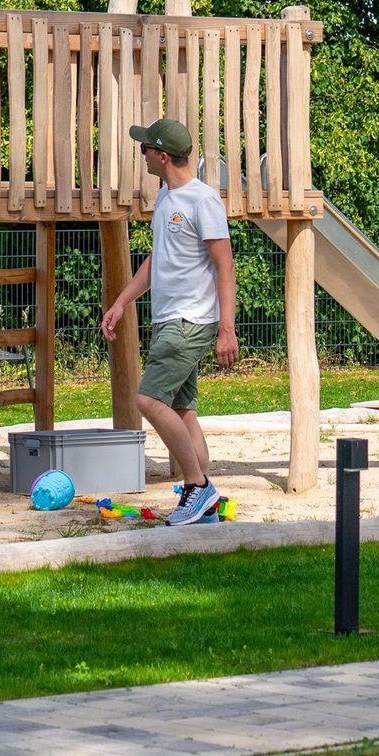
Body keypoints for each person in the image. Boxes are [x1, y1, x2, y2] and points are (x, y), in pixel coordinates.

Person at [100, 118, 239, 525]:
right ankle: (205, 503)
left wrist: (227, 329)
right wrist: (121, 302)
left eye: (145, 148)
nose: (141, 153)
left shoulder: (202, 201)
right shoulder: (165, 196)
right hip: (168, 320)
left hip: (189, 321)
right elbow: (158, 259)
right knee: (182, 411)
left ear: (161, 156)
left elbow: (225, 266)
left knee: (148, 400)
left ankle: (197, 486)